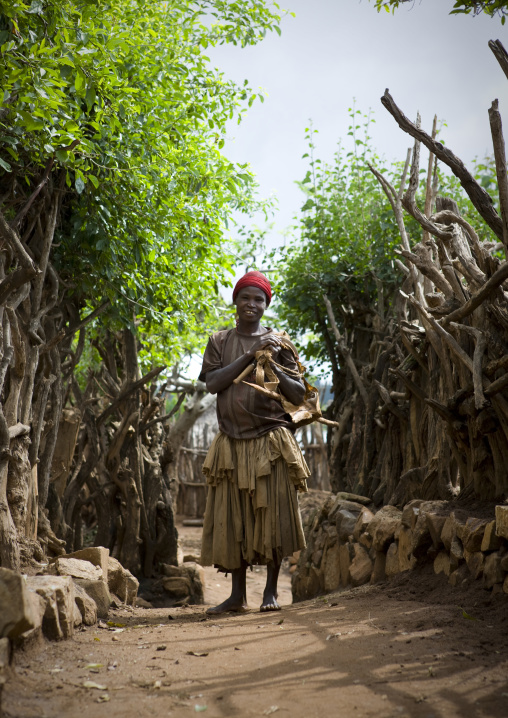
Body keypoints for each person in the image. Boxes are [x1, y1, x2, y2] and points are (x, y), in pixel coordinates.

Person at [199, 270, 310, 614]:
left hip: (270, 440)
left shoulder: (281, 343)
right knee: (236, 519)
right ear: (235, 301)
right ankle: (237, 596)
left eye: (258, 299)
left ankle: (271, 594)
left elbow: (298, 395)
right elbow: (214, 384)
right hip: (231, 442)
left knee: (273, 516)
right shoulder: (220, 341)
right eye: (245, 297)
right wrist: (250, 356)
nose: (251, 304)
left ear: (266, 305)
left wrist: (274, 359)